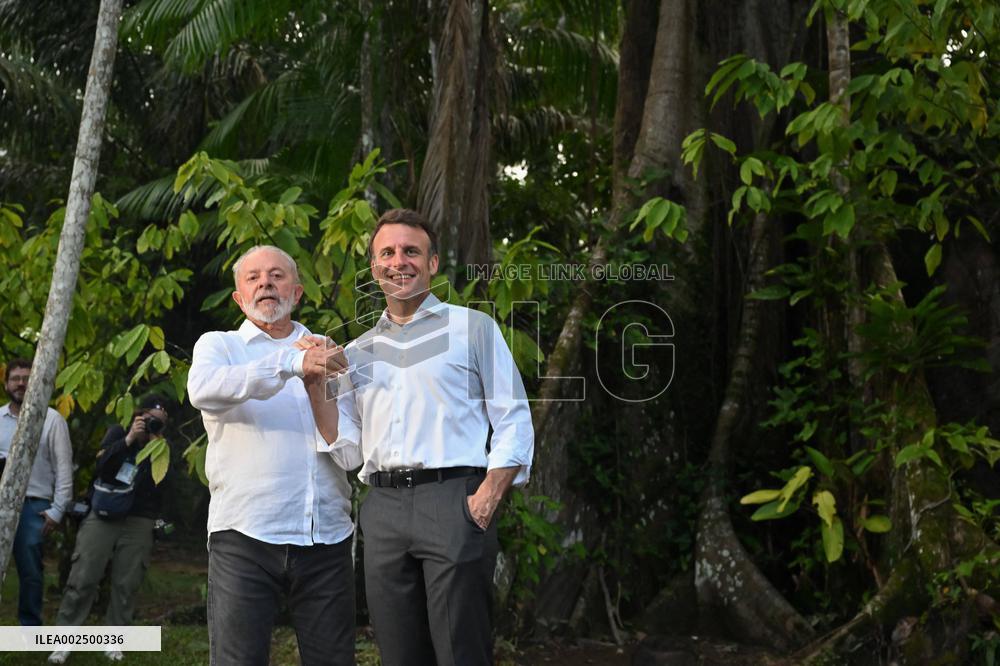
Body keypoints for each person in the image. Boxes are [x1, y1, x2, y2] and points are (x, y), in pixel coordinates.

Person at [300, 208, 535, 665]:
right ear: (374, 268)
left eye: (411, 250)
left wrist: (485, 498)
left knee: (460, 651)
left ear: (432, 264)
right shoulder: (358, 351)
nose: (398, 260)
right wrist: (314, 385)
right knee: (399, 654)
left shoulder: (473, 329)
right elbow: (347, 448)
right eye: (386, 252)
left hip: (454, 501)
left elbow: (514, 419)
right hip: (383, 510)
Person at [187, 245, 359, 666]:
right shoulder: (220, 346)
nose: (266, 282)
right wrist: (293, 363)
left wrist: (317, 384)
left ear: (297, 292)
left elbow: (351, 455)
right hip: (244, 535)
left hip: (327, 537)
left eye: (277, 275)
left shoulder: (329, 351)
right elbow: (203, 390)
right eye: (253, 277)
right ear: (239, 298)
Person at [48, 395, 171, 664]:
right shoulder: (118, 433)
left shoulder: (161, 447)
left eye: (159, 423)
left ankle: (115, 641)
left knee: (127, 583)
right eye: (150, 419)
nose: (153, 425)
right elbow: (101, 470)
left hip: (140, 518)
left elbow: (160, 487)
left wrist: (154, 448)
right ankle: (63, 641)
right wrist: (128, 440)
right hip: (103, 513)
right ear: (139, 415)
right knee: (83, 577)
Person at [0, 357, 73, 627]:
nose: (21, 383)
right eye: (15, 378)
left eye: (26, 378)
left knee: (31, 572)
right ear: (6, 383)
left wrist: (57, 510)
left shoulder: (53, 420)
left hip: (34, 507)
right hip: (0, 505)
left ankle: (30, 629)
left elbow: (64, 468)